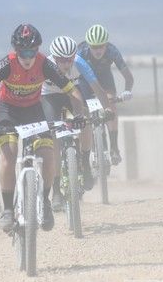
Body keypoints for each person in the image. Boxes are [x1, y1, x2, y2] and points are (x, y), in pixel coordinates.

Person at [0, 23, 87, 232]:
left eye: (31, 51)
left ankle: (45, 201)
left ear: (37, 50)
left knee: (48, 151)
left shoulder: (45, 64)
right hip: (7, 110)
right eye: (22, 51)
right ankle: (8, 209)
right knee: (9, 153)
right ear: (16, 50)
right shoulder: (6, 64)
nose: (27, 57)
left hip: (33, 110)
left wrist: (78, 115)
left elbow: (73, 91)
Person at [42, 35, 112, 211]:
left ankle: (85, 162)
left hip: (71, 94)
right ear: (54, 58)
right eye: (62, 60)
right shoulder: (44, 66)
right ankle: (56, 190)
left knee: (85, 120)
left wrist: (108, 109)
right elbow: (33, 91)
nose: (67, 64)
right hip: (49, 97)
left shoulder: (80, 63)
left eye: (70, 60)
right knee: (53, 137)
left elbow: (97, 88)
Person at [77, 24, 134, 165]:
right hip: (85, 82)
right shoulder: (81, 51)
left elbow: (128, 77)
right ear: (88, 45)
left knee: (111, 104)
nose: (98, 50)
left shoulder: (112, 51)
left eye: (101, 46)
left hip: (105, 80)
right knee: (83, 111)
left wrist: (127, 91)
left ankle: (114, 146)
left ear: (106, 44)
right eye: (94, 47)